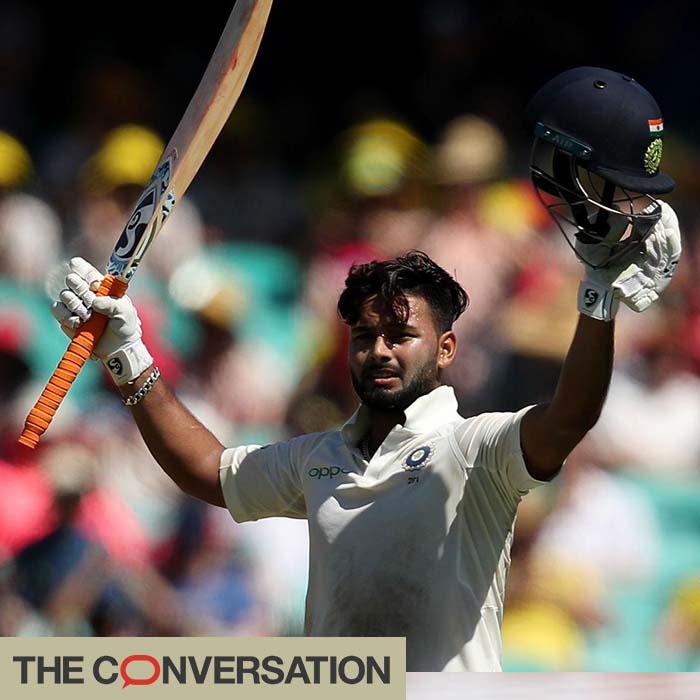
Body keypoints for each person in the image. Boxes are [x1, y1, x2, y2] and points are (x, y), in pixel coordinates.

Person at [49, 67, 681, 671]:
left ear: (447, 350)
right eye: (364, 335)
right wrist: (128, 356)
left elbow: (569, 417)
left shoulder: (474, 449)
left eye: (401, 335)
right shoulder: (316, 459)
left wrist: (598, 293)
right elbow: (206, 471)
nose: (378, 350)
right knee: (52, 673)